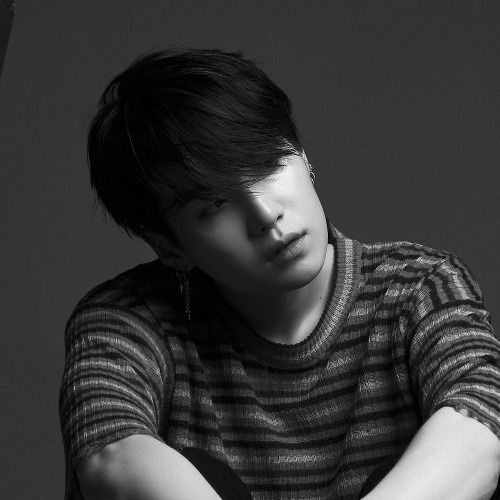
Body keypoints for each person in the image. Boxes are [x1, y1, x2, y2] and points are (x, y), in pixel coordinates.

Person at [59, 48, 500, 500]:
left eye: (269, 163)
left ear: (303, 157)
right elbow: (111, 453)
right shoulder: (129, 319)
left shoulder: (421, 287)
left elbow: (481, 424)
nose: (266, 214)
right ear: (168, 245)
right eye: (215, 204)